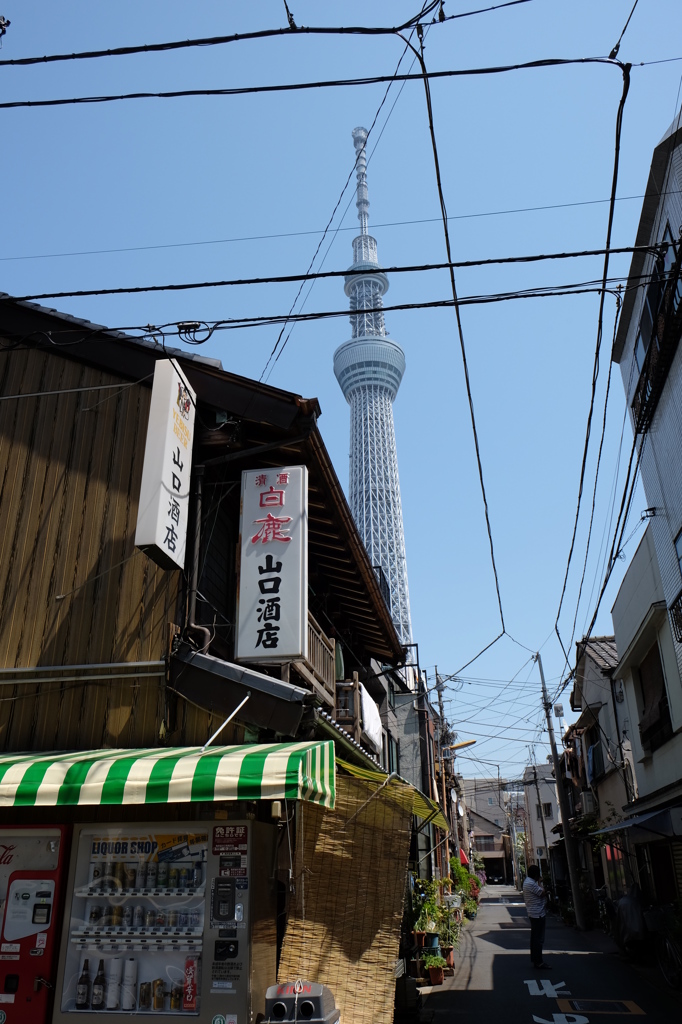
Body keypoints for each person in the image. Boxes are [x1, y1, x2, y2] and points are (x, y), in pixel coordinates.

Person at [523, 864, 550, 969]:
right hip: (538, 913)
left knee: (535, 938)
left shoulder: (527, 882)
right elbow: (542, 893)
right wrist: (540, 882)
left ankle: (535, 959)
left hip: (533, 913)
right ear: (536, 874)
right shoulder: (531, 883)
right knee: (538, 939)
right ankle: (538, 961)